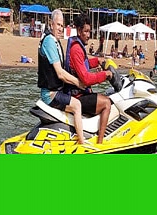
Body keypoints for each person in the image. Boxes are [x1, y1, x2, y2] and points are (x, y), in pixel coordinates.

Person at [37, 9, 86, 144]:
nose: (60, 28)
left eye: (62, 25)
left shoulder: (55, 41)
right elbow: (60, 73)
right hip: (50, 94)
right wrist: (78, 82)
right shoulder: (49, 42)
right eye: (58, 25)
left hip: (57, 90)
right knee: (77, 105)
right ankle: (82, 142)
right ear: (51, 24)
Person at [64, 14, 113, 144]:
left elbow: (83, 63)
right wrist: (105, 75)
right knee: (107, 103)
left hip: (79, 93)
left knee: (106, 96)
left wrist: (97, 61)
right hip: (77, 96)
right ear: (79, 31)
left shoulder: (78, 46)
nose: (88, 34)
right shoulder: (76, 49)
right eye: (85, 31)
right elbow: (85, 78)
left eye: (89, 31)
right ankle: (100, 143)